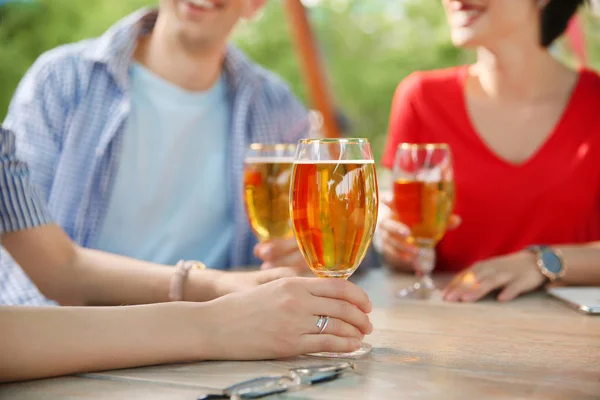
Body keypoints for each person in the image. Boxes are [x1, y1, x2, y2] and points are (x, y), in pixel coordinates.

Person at [0, 126, 373, 382]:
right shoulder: (62, 79)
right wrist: (218, 324)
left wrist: (221, 288)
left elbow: (61, 268)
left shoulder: (270, 96)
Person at [1, 0, 312, 305]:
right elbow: (22, 259)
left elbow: (348, 233)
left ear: (255, 5)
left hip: (213, 339)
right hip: (75, 336)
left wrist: (306, 248)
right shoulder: (61, 80)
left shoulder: (275, 106)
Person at [377, 0, 600, 302]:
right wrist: (395, 244)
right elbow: (403, 255)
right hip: (447, 331)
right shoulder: (421, 99)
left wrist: (541, 262)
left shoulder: (594, 104)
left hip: (574, 339)